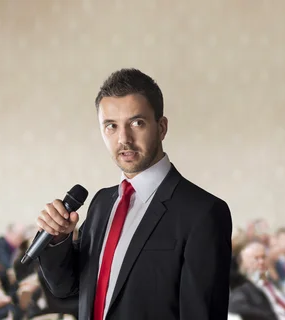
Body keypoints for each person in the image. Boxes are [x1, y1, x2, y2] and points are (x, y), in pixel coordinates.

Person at [35, 68, 232, 320]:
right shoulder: (101, 203)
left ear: (161, 127)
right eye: (111, 126)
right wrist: (58, 240)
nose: (123, 139)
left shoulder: (203, 212)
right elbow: (66, 288)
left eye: (136, 123)